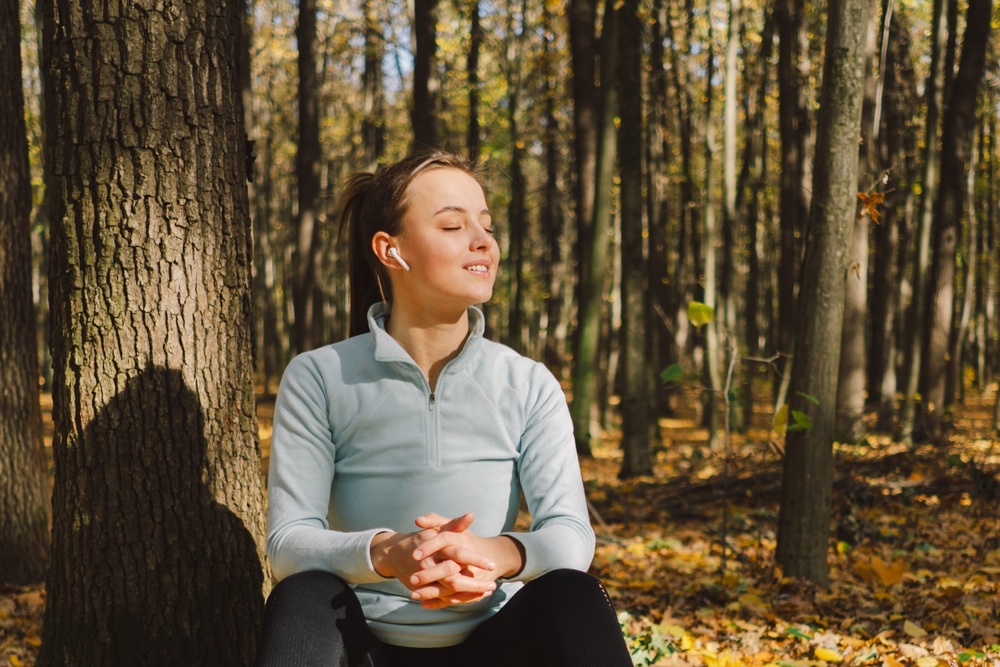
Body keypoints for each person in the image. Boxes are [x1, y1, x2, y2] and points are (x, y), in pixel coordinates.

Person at [255, 151, 632, 667]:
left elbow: (570, 535)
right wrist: (389, 553)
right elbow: (288, 545)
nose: (483, 240)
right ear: (392, 251)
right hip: (362, 646)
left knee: (574, 593)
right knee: (303, 595)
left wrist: (493, 554)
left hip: (494, 645)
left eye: (486, 225)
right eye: (453, 225)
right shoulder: (320, 377)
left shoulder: (526, 382)